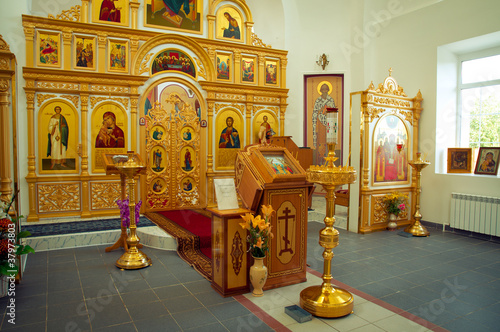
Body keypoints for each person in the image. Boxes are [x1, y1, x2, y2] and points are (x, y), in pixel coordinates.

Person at [312, 83, 336, 164]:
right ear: (321, 91)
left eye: (326, 89)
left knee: (329, 140)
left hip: (330, 123)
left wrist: (328, 112)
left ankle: (329, 161)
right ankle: (321, 161)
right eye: (323, 89)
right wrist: (320, 111)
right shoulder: (318, 100)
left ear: (328, 90)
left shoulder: (331, 100)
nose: (325, 91)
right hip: (320, 123)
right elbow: (315, 112)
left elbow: (334, 112)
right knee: (321, 141)